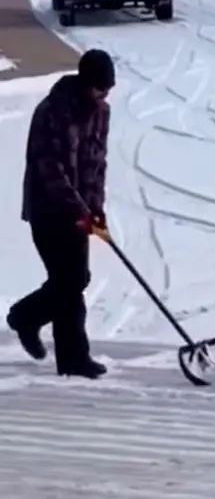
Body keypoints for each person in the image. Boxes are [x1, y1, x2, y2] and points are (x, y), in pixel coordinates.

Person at [6, 49, 115, 380]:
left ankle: (28, 318)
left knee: (74, 280)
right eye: (99, 89)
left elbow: (96, 165)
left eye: (108, 89)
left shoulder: (101, 112)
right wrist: (78, 209)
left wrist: (96, 211)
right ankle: (71, 357)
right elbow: (51, 169)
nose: (104, 95)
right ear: (84, 84)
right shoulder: (52, 112)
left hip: (78, 212)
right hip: (48, 209)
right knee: (69, 282)